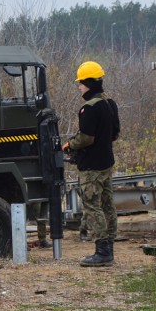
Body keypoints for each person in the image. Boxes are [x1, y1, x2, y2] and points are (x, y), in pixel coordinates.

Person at [62, 61, 120, 267]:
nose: (78, 87)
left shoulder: (89, 108)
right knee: (107, 204)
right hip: (106, 162)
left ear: (88, 83)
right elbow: (115, 133)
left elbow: (86, 138)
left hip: (92, 166)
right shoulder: (109, 102)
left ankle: (102, 251)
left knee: (92, 206)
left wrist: (69, 145)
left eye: (80, 83)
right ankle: (109, 247)